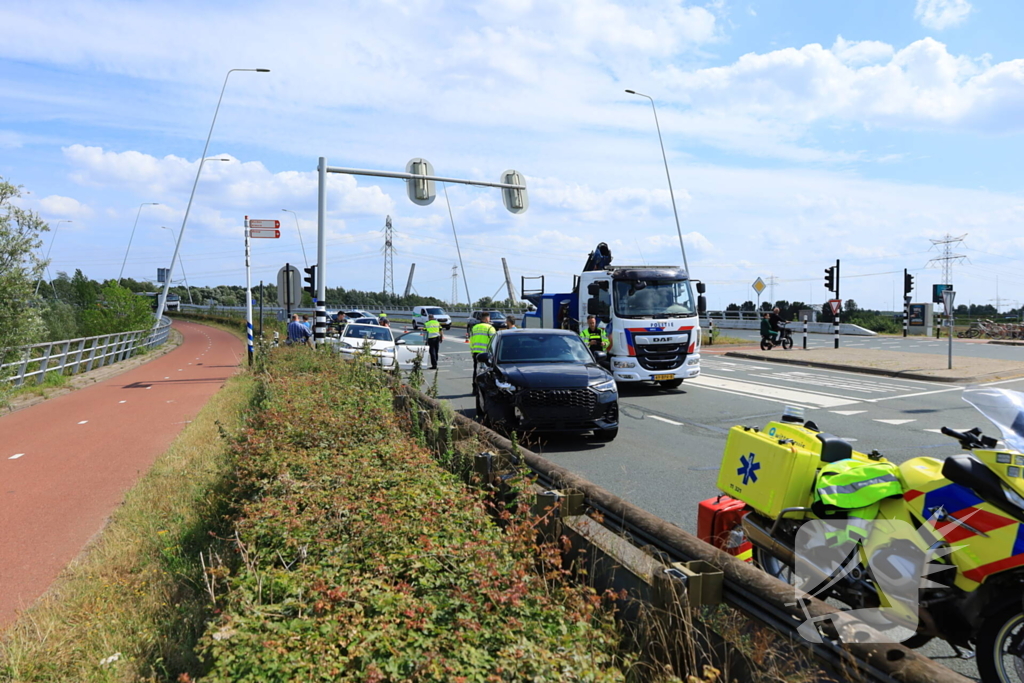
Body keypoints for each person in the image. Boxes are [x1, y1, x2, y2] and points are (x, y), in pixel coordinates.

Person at [468, 312, 497, 393]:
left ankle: (475, 388)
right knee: (487, 372)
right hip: (486, 354)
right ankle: (485, 390)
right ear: (487, 319)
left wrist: (472, 352)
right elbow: (494, 342)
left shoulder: (474, 328)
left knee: (476, 371)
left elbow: (471, 341)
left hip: (476, 353)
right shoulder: (490, 328)